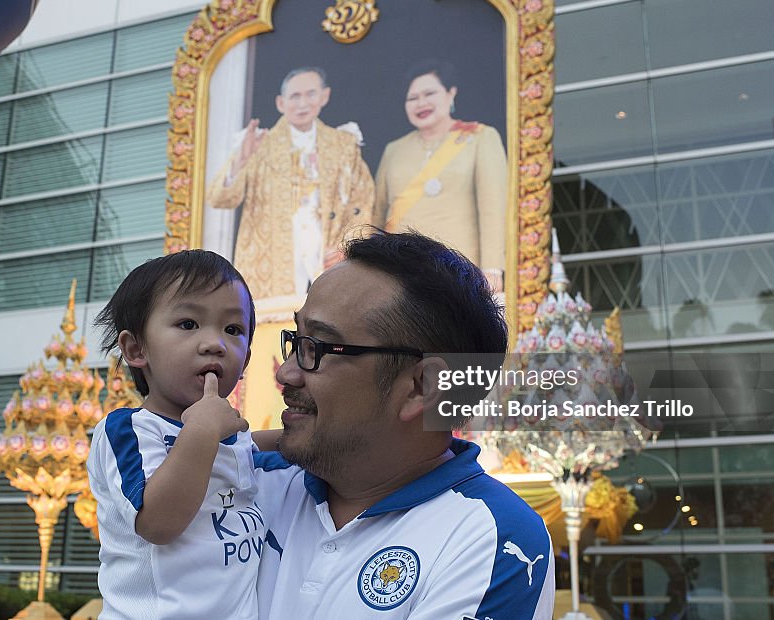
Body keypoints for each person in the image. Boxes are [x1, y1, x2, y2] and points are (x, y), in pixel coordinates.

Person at [254, 230, 555, 619]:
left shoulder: (490, 538)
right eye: (296, 341)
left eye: (319, 348)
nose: (287, 374)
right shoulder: (246, 481)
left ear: (420, 387)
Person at [87, 250, 275, 619]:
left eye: (233, 330)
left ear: (247, 359)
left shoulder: (228, 439)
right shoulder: (129, 429)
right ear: (136, 348)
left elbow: (261, 447)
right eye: (188, 324)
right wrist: (203, 429)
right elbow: (158, 523)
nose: (214, 343)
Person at [206, 67, 375, 300]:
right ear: (280, 103)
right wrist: (241, 160)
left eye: (310, 94)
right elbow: (220, 198)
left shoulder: (343, 144)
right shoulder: (258, 144)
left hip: (325, 254)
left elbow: (363, 201)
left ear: (324, 96)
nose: (302, 103)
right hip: (272, 258)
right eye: (295, 96)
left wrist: (347, 245)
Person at [373, 60, 509, 293]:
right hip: (400, 272)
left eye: (429, 93)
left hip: (460, 268)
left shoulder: (480, 137)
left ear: (450, 93)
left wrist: (493, 269)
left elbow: (493, 208)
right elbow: (376, 213)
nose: (421, 103)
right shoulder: (394, 150)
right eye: (412, 98)